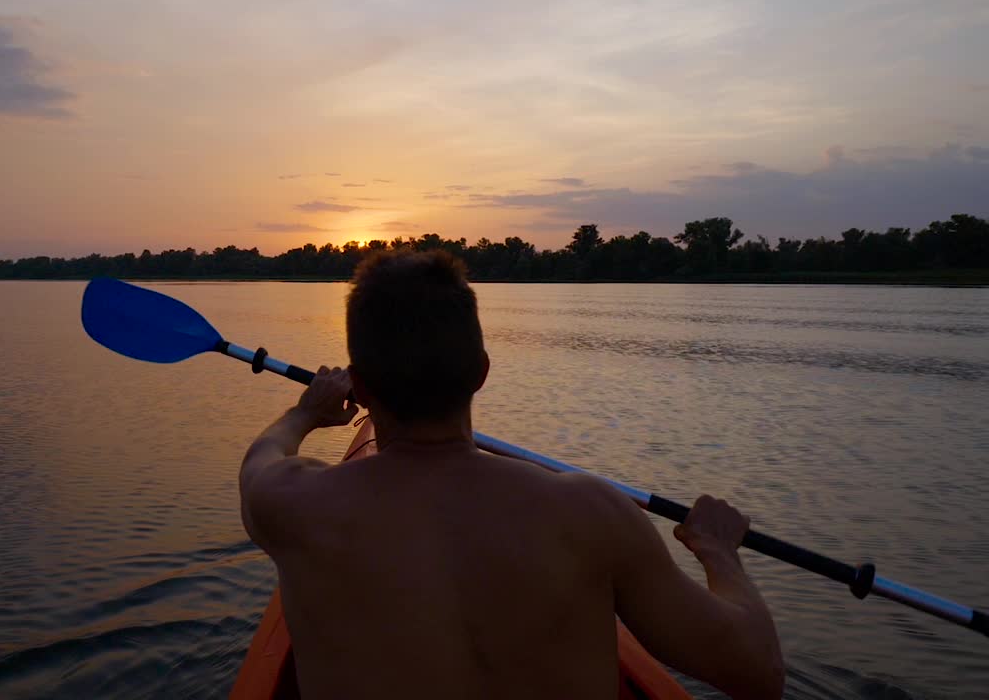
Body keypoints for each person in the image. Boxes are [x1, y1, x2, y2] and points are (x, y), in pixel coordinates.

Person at [239, 249, 784, 699]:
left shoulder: (294, 503)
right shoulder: (592, 513)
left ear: (359, 384)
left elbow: (262, 458)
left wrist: (307, 412)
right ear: (480, 373)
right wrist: (718, 552)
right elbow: (757, 673)